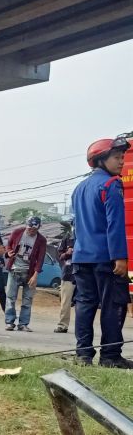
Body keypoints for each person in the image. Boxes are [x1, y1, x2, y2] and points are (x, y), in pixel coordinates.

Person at [70, 136, 129, 367]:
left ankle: (83, 354)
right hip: (106, 258)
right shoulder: (110, 184)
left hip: (81, 257)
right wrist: (120, 257)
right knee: (113, 304)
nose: (121, 161)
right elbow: (115, 224)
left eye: (122, 156)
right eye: (116, 157)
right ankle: (110, 356)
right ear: (100, 160)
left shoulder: (79, 188)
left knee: (85, 305)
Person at [3, 215, 47, 331]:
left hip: (29, 272)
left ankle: (23, 323)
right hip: (14, 269)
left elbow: (41, 258)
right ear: (26, 226)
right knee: (10, 297)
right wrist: (9, 253)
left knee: (27, 300)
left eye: (34, 230)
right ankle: (9, 321)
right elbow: (8, 246)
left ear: (38, 228)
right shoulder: (17, 232)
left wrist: (35, 275)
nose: (31, 231)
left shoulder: (41, 240)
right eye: (29, 229)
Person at [55, 223, 75, 334]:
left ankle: (83, 327)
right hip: (68, 273)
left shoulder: (87, 236)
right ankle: (63, 325)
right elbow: (60, 255)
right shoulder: (67, 237)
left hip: (85, 273)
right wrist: (68, 253)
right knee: (65, 301)